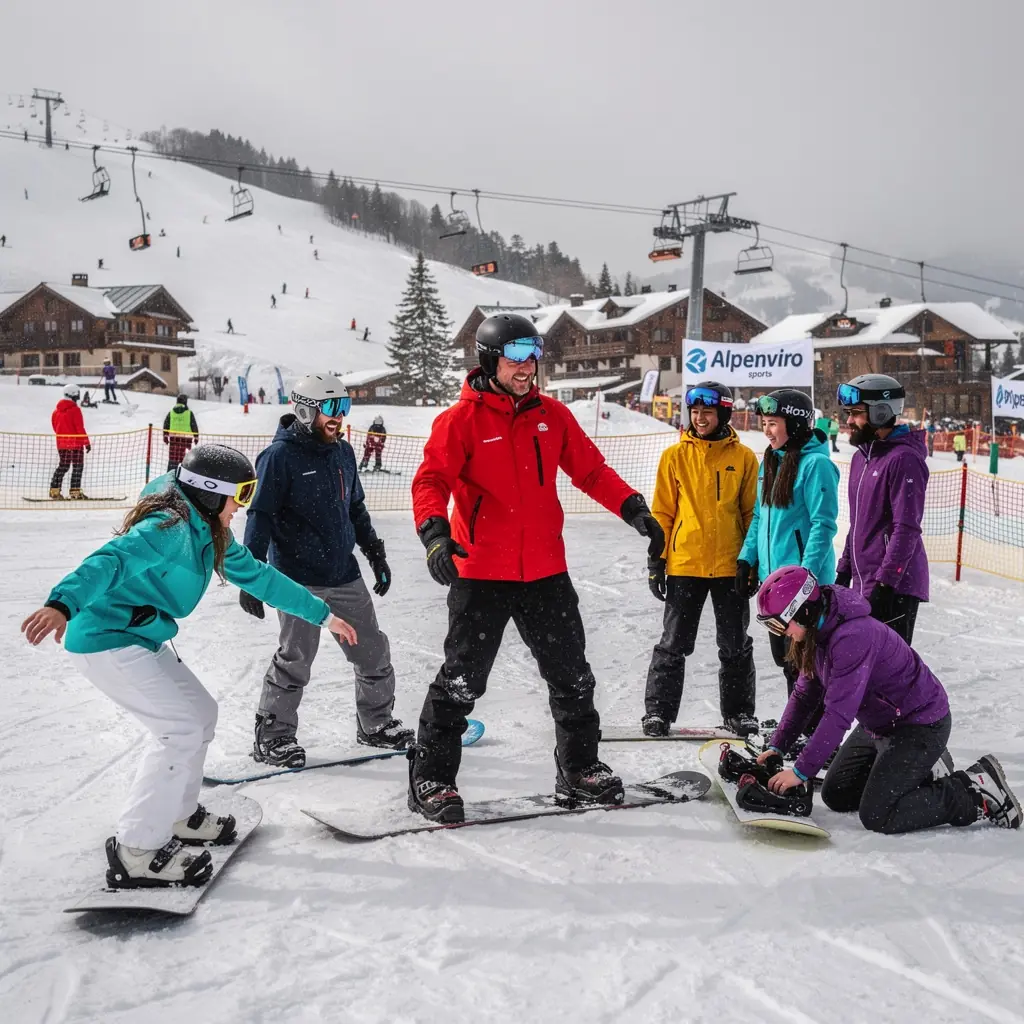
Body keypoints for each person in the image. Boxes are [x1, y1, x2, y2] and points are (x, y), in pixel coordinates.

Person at [22, 445, 359, 888]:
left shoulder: (208, 528)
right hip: (106, 639)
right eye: (239, 494)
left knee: (201, 715)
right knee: (178, 728)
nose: (242, 505)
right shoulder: (168, 527)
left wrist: (322, 613)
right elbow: (111, 560)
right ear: (210, 493)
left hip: (139, 633)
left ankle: (178, 816)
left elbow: (259, 576)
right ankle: (137, 850)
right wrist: (63, 604)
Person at [408, 312, 665, 822]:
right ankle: (432, 779)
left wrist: (633, 507)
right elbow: (430, 481)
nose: (528, 367)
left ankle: (579, 769)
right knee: (461, 682)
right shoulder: (460, 421)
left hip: (546, 571)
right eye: (516, 357)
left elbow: (590, 469)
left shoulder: (552, 416)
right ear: (489, 359)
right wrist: (435, 534)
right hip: (480, 573)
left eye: (533, 356)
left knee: (573, 678)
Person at [753, 565, 1021, 832]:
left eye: (780, 624)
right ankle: (920, 771)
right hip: (880, 723)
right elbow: (803, 696)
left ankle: (973, 789)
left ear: (804, 611)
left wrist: (800, 772)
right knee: (837, 795)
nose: (781, 633)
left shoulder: (852, 638)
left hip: (919, 723)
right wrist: (777, 747)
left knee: (879, 815)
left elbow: (837, 715)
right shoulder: (816, 634)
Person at [241, 374, 411, 767]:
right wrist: (252, 579)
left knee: (372, 651)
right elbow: (260, 517)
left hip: (343, 574)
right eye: (331, 409)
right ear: (305, 410)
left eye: (344, 408)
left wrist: (375, 553)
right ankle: (274, 735)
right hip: (297, 579)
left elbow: (356, 508)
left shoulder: (343, 453)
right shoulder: (278, 458)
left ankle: (376, 724)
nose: (339, 417)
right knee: (295, 658)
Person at [643, 381, 760, 738]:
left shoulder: (743, 458)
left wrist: (749, 561)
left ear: (723, 413)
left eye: (707, 412)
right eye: (694, 412)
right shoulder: (675, 457)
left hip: (729, 566)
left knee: (735, 643)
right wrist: (656, 560)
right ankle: (658, 713)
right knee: (673, 643)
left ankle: (739, 714)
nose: (699, 418)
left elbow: (751, 514)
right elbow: (663, 512)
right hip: (685, 564)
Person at [737, 389, 839, 737]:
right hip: (774, 586)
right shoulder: (771, 461)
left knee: (807, 668)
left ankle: (815, 734)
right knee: (786, 663)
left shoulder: (817, 465)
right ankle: (798, 728)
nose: (767, 431)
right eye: (764, 424)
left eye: (773, 423)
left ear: (794, 424)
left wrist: (805, 579)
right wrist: (746, 560)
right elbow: (758, 520)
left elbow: (823, 526)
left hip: (803, 590)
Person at [836, 374, 928, 645]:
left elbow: (906, 527)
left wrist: (886, 584)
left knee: (887, 672)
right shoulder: (860, 458)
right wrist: (844, 570)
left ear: (880, 412)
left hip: (893, 586)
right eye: (848, 413)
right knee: (864, 665)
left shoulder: (904, 459)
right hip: (865, 580)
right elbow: (859, 523)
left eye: (856, 414)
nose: (849, 421)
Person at [49, 384, 91, 500]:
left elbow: (55, 426)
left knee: (63, 466)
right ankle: (75, 492)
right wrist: (86, 442)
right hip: (75, 444)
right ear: (74, 396)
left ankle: (54, 491)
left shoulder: (56, 412)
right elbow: (79, 428)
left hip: (62, 444)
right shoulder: (75, 410)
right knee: (78, 467)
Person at [162, 393, 200, 471]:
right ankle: (183, 473)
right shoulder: (189, 413)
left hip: (174, 439)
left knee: (173, 457)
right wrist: (196, 436)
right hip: (185, 440)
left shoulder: (171, 412)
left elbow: (166, 424)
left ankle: (171, 473)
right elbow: (193, 425)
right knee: (183, 458)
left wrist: (165, 436)